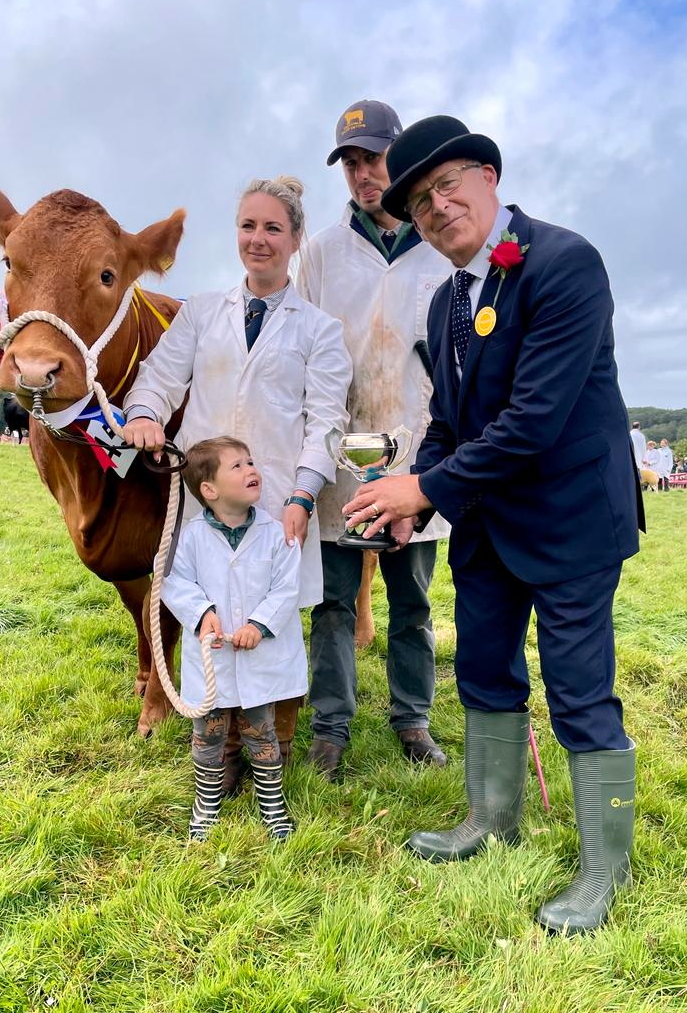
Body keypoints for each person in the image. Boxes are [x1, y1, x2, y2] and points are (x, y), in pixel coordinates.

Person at [343, 115, 643, 933]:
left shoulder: (565, 263)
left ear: (488, 178)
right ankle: (489, 820)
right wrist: (418, 497)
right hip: (484, 521)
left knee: (580, 694)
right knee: (483, 674)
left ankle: (601, 874)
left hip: (572, 518)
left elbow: (534, 421)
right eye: (418, 200)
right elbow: (451, 423)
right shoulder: (445, 300)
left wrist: (422, 489)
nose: (436, 208)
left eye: (447, 185)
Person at [122, 175, 352, 792]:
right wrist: (144, 411)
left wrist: (304, 492)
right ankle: (217, 747)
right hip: (205, 496)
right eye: (248, 226)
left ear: (296, 239)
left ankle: (270, 744)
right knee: (209, 612)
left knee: (272, 619)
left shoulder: (319, 330)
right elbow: (160, 377)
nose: (259, 239)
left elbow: (327, 422)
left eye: (273, 227)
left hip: (275, 497)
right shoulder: (202, 311)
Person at [296, 100, 452, 778]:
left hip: (419, 456)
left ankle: (412, 718)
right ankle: (331, 724)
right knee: (332, 602)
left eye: (374, 157)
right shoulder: (323, 253)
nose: (363, 174)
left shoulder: (444, 250)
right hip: (338, 457)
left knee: (412, 601)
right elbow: (299, 347)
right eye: (352, 162)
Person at [161, 437, 306, 841]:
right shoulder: (189, 536)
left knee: (261, 730)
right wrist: (202, 613)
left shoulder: (277, 534)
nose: (251, 470)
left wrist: (258, 625)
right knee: (207, 732)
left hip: (258, 656)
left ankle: (272, 803)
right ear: (209, 490)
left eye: (251, 461)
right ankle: (206, 803)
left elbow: (286, 588)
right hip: (214, 656)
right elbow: (175, 583)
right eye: (238, 466)